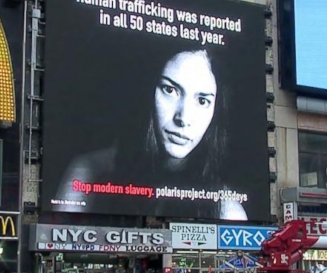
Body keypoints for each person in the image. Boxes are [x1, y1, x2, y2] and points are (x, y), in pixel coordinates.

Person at [53, 49, 247, 220]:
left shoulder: (227, 210)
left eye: (202, 101)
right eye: (170, 90)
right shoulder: (89, 171)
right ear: (148, 90)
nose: (184, 118)